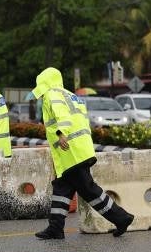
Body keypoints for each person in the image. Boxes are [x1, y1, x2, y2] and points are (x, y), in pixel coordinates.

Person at [31, 67, 134, 240]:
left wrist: (60, 133)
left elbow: (63, 116)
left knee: (89, 190)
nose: (41, 94)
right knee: (62, 188)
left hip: (70, 151)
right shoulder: (71, 95)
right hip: (81, 149)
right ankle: (55, 227)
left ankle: (122, 218)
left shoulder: (52, 94)